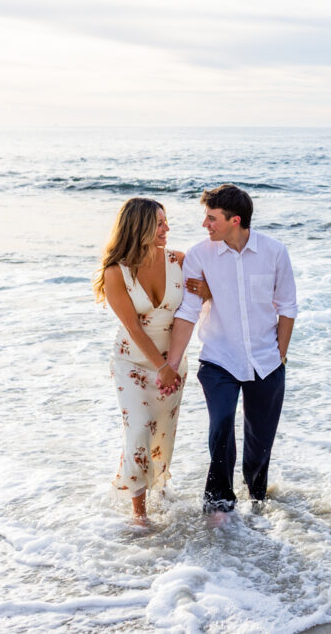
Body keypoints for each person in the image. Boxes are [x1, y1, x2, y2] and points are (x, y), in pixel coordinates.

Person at [165, 184, 297, 521]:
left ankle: (258, 500)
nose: (205, 224)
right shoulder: (199, 255)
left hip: (266, 361)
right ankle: (219, 504)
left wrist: (279, 355)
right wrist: (171, 363)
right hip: (218, 358)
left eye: (211, 218)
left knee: (260, 441)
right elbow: (187, 312)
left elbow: (287, 307)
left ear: (235, 220)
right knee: (221, 426)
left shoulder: (275, 251)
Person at [93, 198, 207, 525]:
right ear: (140, 226)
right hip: (133, 364)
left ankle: (159, 487)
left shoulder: (180, 261)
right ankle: (138, 511)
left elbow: (203, 300)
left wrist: (208, 289)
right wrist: (161, 367)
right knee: (139, 428)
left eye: (166, 221)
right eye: (160, 223)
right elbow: (133, 327)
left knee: (163, 431)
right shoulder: (116, 272)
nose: (167, 228)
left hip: (173, 362)